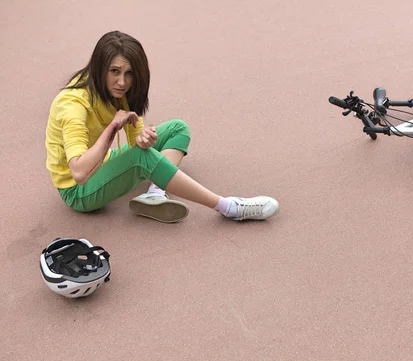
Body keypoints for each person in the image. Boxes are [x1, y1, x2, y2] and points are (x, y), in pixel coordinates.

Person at [45, 31, 279, 223]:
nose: (122, 82)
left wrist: (142, 138)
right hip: (78, 191)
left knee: (177, 128)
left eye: (129, 74)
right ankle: (229, 207)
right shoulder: (73, 105)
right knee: (140, 159)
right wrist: (113, 128)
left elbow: (136, 137)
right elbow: (79, 172)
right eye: (114, 71)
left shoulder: (115, 89)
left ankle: (155, 193)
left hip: (103, 163)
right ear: (99, 68)